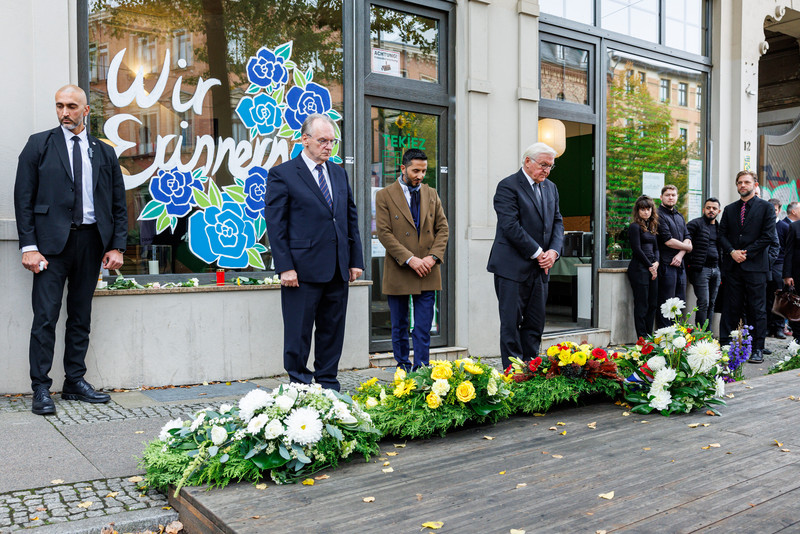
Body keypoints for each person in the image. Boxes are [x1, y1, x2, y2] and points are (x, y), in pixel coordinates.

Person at [14, 85, 127, 415]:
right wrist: (29, 247)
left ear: (86, 111)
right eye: (60, 106)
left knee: (81, 316)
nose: (65, 112)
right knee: (45, 317)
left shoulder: (103, 152)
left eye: (72, 106)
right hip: (49, 248)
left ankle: (75, 381)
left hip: (91, 243)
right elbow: (24, 200)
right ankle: (41, 387)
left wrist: (116, 245)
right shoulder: (39, 145)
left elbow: (118, 203)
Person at [265, 113, 364, 391]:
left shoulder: (338, 173)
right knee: (298, 332)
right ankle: (298, 383)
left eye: (332, 141)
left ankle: (328, 382)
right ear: (304, 139)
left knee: (333, 330)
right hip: (301, 270)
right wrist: (285, 267)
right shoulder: (283, 175)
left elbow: (349, 219)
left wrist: (355, 260)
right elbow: (276, 225)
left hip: (337, 267)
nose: (328, 147)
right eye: (322, 141)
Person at [487, 142, 564, 369]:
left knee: (535, 324)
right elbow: (510, 226)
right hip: (511, 268)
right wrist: (539, 252)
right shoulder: (508, 186)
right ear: (527, 162)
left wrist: (553, 251)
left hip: (540, 269)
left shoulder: (551, 188)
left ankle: (531, 371)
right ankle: (513, 374)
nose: (547, 170)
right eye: (543, 165)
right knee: (511, 325)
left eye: (551, 166)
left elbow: (558, 222)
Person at [375, 149, 449, 371]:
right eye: (416, 170)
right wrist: (410, 259)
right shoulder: (384, 195)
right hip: (400, 268)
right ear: (403, 168)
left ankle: (422, 370)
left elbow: (442, 228)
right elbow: (384, 233)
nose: (420, 175)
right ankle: (403, 366)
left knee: (423, 326)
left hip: (428, 269)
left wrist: (432, 257)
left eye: (424, 171)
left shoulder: (432, 193)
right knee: (399, 324)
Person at [718, 171, 778, 364]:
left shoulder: (766, 208)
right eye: (739, 182)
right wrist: (732, 252)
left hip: (756, 267)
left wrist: (746, 253)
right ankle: (725, 345)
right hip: (733, 267)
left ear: (755, 184)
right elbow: (721, 235)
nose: (742, 185)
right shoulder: (729, 209)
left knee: (757, 309)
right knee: (730, 308)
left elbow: (768, 236)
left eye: (746, 182)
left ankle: (757, 349)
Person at [655, 185, 692, 328]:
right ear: (661, 197)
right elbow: (668, 240)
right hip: (666, 265)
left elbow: (687, 237)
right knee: (666, 303)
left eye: (673, 195)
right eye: (667, 195)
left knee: (679, 302)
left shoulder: (679, 216)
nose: (671, 197)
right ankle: (665, 337)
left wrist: (682, 254)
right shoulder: (658, 215)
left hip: (680, 264)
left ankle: (677, 337)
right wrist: (687, 248)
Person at [627, 196, 660, 338]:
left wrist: (657, 263)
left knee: (653, 304)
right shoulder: (634, 226)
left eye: (648, 209)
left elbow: (657, 248)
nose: (646, 212)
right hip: (639, 269)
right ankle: (642, 338)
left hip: (652, 268)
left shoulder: (652, 227)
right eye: (643, 209)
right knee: (642, 305)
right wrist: (650, 266)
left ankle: (649, 335)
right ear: (638, 210)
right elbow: (637, 249)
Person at [686, 198, 721, 328]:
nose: (711, 210)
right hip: (701, 270)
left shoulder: (720, 227)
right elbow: (686, 242)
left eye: (714, 208)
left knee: (712, 303)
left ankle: (708, 334)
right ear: (703, 209)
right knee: (703, 302)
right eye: (708, 208)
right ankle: (700, 334)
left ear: (718, 211)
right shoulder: (695, 224)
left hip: (716, 270)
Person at [766, 198, 786, 339]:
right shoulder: (763, 225)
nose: (773, 213)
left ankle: (779, 327)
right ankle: (767, 327)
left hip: (779, 265)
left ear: (779, 210)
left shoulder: (785, 227)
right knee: (766, 297)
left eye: (775, 210)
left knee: (780, 298)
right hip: (765, 265)